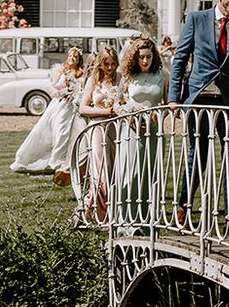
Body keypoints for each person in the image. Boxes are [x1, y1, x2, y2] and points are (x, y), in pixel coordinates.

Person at [169, 0, 229, 237]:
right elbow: (180, 59)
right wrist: (175, 97)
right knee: (197, 157)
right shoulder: (196, 19)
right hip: (199, 100)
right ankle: (184, 207)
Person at [10, 47, 85, 178]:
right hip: (57, 105)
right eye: (70, 56)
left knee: (63, 132)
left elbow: (81, 90)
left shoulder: (81, 74)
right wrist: (57, 92)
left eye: (75, 57)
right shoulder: (62, 71)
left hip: (70, 107)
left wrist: (73, 92)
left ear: (79, 59)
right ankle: (29, 157)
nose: (72, 59)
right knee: (47, 131)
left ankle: (57, 160)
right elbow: (53, 86)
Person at [117, 37, 165, 223]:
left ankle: (147, 220)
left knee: (149, 173)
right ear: (135, 58)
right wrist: (127, 115)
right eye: (141, 57)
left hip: (153, 129)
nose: (145, 61)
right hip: (131, 128)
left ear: (154, 57)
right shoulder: (128, 76)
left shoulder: (162, 75)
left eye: (148, 57)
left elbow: (168, 104)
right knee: (130, 172)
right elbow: (117, 102)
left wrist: (159, 115)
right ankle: (126, 218)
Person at [78, 47, 121, 222]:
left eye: (112, 64)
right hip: (97, 128)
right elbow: (82, 108)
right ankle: (100, 213)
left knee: (113, 169)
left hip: (115, 129)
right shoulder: (93, 81)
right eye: (106, 64)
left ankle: (94, 210)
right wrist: (103, 111)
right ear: (100, 64)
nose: (110, 68)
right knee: (99, 170)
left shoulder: (120, 79)